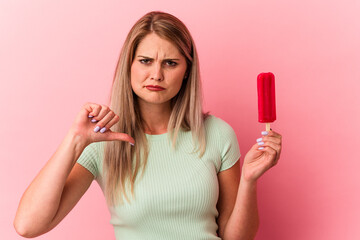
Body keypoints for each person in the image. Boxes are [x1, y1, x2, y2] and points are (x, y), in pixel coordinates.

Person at [14, 11, 282, 240]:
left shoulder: (218, 134)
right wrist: (74, 140)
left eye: (170, 63)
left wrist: (249, 180)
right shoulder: (102, 142)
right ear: (128, 65)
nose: (156, 74)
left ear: (186, 70)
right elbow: (28, 226)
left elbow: (236, 237)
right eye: (145, 61)